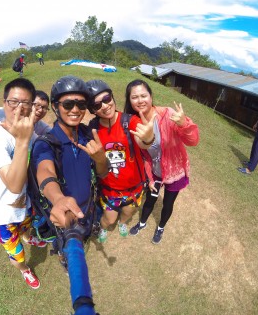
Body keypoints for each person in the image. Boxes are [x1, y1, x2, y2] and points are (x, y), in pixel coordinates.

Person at [30, 75, 109, 313]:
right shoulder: (47, 143)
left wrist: (100, 159)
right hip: (64, 215)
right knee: (67, 246)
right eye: (68, 104)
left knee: (84, 236)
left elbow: (102, 173)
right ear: (56, 107)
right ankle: (64, 258)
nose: (75, 110)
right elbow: (45, 171)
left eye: (81, 105)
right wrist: (57, 198)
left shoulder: (87, 135)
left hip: (89, 210)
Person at [0, 76, 46, 290]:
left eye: (25, 103)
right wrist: (23, 140)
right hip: (1, 215)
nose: (19, 108)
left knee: (26, 229)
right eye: (13, 102)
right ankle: (25, 270)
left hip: (23, 205)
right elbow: (14, 185)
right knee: (17, 256)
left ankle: (28, 237)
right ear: (4, 103)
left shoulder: (32, 134)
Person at [125, 79, 199, 244]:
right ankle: (142, 223)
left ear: (151, 96)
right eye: (134, 97)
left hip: (175, 171)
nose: (140, 100)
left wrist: (184, 124)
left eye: (143, 95)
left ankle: (161, 227)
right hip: (156, 171)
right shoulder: (134, 124)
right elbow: (144, 156)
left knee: (168, 202)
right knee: (150, 199)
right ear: (129, 101)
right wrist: (150, 178)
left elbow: (193, 141)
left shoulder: (168, 114)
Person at [86, 79, 154, 243]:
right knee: (109, 219)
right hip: (110, 189)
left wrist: (148, 138)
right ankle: (103, 228)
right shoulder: (93, 129)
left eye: (106, 99)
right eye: (97, 105)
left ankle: (122, 224)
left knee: (128, 213)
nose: (104, 106)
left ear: (112, 97)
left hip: (135, 187)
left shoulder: (129, 121)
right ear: (92, 110)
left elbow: (142, 141)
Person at [0, 68, 51, 135]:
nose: (40, 110)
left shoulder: (39, 127)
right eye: (37, 105)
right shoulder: (5, 114)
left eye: (44, 108)